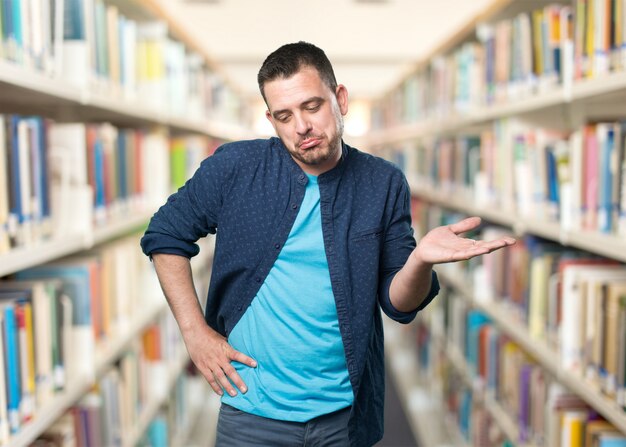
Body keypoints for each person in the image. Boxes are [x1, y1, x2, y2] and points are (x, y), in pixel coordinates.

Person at [140, 41, 515, 446]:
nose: (300, 126)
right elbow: (165, 234)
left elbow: (399, 304)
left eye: (311, 106)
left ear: (340, 99)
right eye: (284, 116)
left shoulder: (382, 182)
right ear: (271, 119)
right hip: (249, 409)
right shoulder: (234, 167)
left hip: (344, 417)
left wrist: (420, 261)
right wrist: (195, 333)